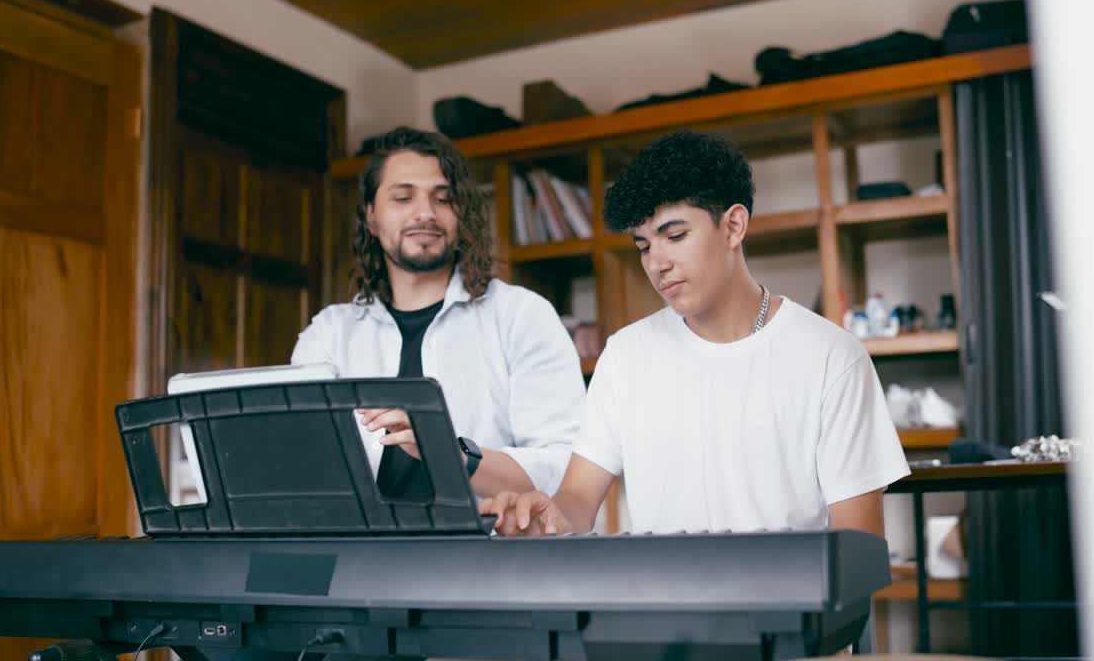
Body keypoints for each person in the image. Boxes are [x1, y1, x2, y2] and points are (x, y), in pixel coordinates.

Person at [481, 130, 909, 537]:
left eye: (676, 235)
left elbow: (858, 545)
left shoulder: (830, 356)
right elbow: (576, 499)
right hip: (661, 608)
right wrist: (548, 518)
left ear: (734, 226)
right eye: (644, 246)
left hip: (786, 611)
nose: (656, 263)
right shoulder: (627, 356)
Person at [291, 126, 584, 501]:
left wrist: (448, 452)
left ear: (460, 214)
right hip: (360, 555)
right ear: (371, 218)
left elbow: (564, 470)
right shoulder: (328, 335)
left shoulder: (521, 316)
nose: (425, 213)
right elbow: (301, 460)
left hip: (485, 554)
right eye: (403, 198)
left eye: (443, 199)